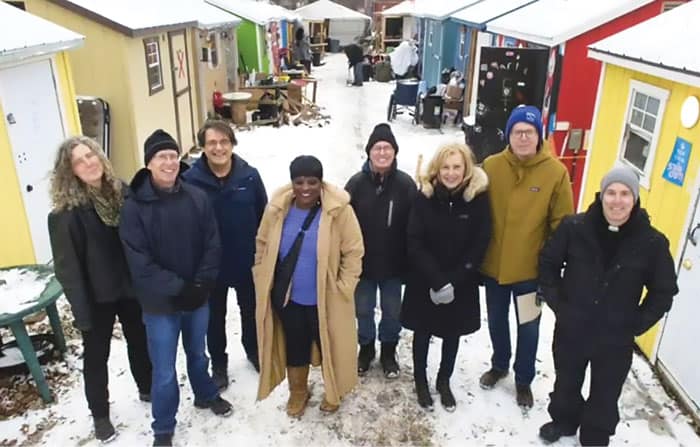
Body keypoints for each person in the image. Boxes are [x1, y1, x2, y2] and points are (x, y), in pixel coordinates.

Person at [538, 166, 678, 446]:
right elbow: (548, 264)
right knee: (566, 381)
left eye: (625, 193)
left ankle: (595, 434)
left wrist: (636, 323)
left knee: (605, 392)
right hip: (572, 327)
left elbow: (663, 291)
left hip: (615, 337)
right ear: (601, 196)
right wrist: (559, 305)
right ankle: (564, 420)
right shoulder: (574, 228)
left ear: (635, 199)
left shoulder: (652, 242)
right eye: (611, 192)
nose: (617, 200)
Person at [119, 129, 232, 447]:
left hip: (196, 297)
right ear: (149, 164)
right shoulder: (134, 207)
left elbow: (212, 242)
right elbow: (139, 262)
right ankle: (163, 426)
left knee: (198, 353)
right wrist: (179, 288)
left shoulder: (196, 196)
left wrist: (200, 283)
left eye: (172, 155)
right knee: (165, 369)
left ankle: (206, 393)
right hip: (160, 305)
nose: (168, 162)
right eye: (161, 157)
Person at [48, 136, 152, 443]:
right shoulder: (65, 215)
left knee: (139, 341)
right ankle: (100, 414)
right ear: (70, 172)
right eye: (79, 161)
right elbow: (68, 269)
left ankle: (146, 388)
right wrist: (82, 312)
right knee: (96, 357)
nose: (88, 163)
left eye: (90, 155)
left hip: (130, 287)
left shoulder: (122, 193)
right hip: (97, 297)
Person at [479, 105, 574, 408]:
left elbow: (562, 225)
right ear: (509, 135)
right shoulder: (492, 166)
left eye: (529, 132)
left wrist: (551, 266)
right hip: (494, 268)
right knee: (495, 320)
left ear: (538, 136)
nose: (523, 137)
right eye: (517, 132)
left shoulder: (555, 173)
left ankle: (523, 380)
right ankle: (499, 364)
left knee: (529, 327)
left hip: (531, 273)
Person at [254, 156, 364, 417]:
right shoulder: (278, 210)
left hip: (326, 298)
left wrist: (344, 286)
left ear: (320, 182)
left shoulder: (339, 211)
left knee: (331, 345)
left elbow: (354, 251)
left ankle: (333, 390)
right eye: (299, 182)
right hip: (289, 298)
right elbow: (262, 243)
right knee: (296, 345)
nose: (305, 188)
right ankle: (298, 392)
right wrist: (261, 273)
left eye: (312, 182)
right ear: (292, 183)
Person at [401, 142, 491, 411]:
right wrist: (437, 280)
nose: (451, 173)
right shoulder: (424, 198)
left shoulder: (477, 199)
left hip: (460, 281)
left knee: (452, 333)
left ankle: (444, 380)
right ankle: (420, 379)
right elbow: (414, 241)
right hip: (425, 279)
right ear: (437, 170)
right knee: (422, 330)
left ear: (466, 169)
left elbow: (480, 242)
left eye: (457, 167)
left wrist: (455, 279)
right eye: (445, 167)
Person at [183, 120, 267, 387]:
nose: (218, 148)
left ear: (232, 144)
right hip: (210, 266)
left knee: (250, 310)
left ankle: (253, 350)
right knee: (213, 317)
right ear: (202, 147)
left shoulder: (249, 176)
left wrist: (263, 256)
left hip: (246, 261)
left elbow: (264, 218)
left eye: (224, 142)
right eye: (212, 143)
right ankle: (219, 363)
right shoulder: (190, 181)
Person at [345, 123, 416, 378]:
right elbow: (342, 223)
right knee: (362, 309)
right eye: (378, 148)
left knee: (391, 310)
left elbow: (414, 227)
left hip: (394, 265)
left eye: (388, 148)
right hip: (363, 265)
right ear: (369, 152)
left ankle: (388, 349)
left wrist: (410, 262)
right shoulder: (355, 184)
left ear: (395, 152)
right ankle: (366, 348)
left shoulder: (406, 185)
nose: (383, 153)